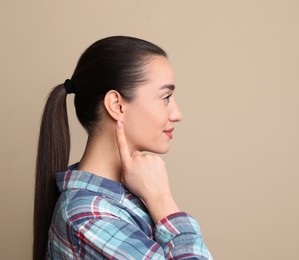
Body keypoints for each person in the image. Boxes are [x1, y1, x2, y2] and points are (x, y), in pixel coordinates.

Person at [33, 36, 212, 259]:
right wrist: (162, 200)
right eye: (166, 97)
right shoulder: (88, 217)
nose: (177, 115)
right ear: (117, 106)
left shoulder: (125, 194)